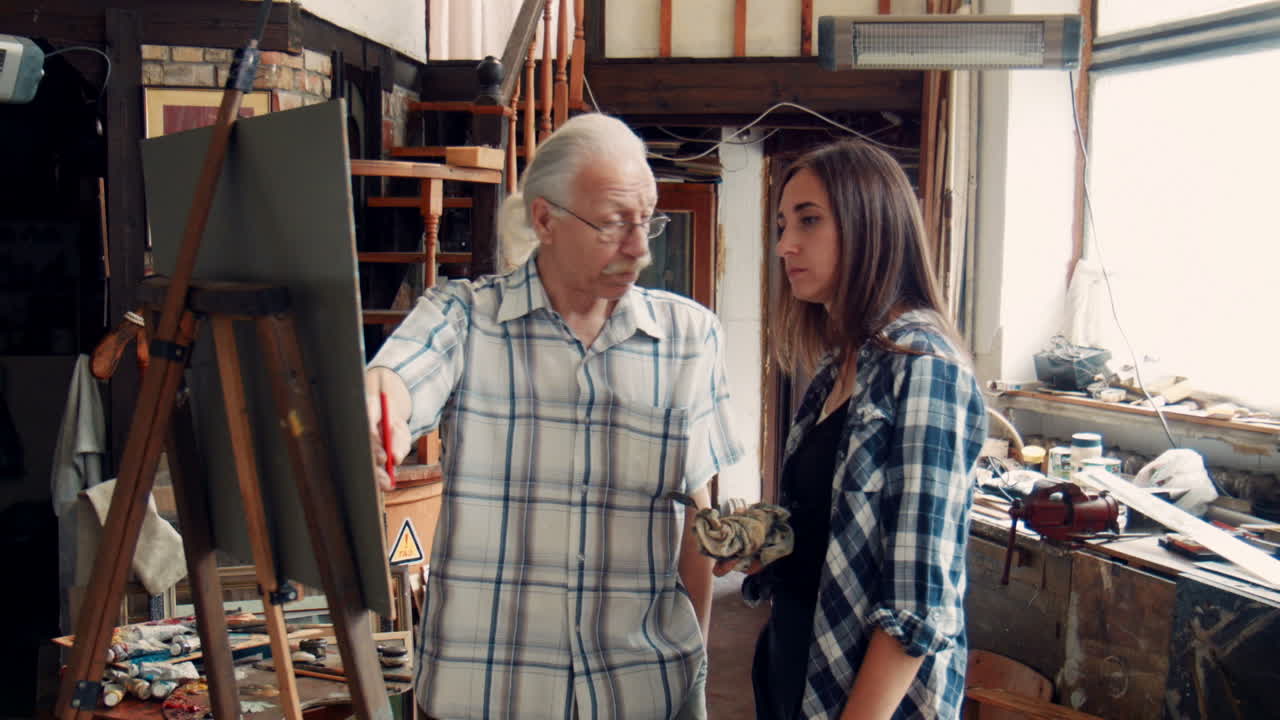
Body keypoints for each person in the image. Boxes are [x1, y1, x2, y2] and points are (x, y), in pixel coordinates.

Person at [365, 113, 743, 720]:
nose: (641, 249)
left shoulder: (688, 338)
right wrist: (377, 405)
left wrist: (690, 673)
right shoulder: (465, 319)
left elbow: (697, 514)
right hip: (488, 693)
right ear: (546, 219)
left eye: (648, 220)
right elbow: (398, 379)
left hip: (638, 691)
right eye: (615, 224)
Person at [724, 140, 987, 720]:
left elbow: (918, 607)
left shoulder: (925, 368)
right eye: (782, 223)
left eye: (809, 221)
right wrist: (761, 540)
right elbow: (829, 526)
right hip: (795, 669)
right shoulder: (837, 364)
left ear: (872, 224)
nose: (784, 245)